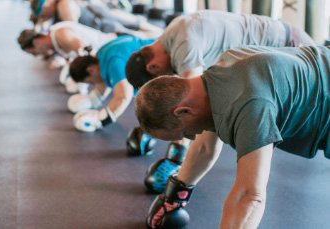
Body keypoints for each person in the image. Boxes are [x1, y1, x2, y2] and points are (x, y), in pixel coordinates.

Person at [134, 45, 330, 228]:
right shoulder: (220, 71)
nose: (192, 137)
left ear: (183, 111)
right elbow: (204, 148)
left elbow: (250, 197)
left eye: (185, 133)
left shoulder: (248, 103)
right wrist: (174, 197)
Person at [125, 9, 315, 194]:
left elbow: (187, 107)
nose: (165, 77)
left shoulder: (184, 46)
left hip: (291, 46)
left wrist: (174, 160)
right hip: (274, 50)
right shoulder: (172, 32)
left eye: (159, 76)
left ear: (153, 66)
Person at [68, 36, 157, 135]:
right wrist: (93, 99)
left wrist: (101, 120)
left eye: (90, 82)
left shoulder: (114, 63)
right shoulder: (102, 53)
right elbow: (105, 77)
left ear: (90, 70)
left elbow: (123, 96)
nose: (93, 84)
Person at [29, 0, 163, 38]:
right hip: (101, 17)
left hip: (103, 25)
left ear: (46, 5)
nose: (45, 16)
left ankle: (164, 37)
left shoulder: (64, 5)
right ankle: (163, 35)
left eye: (44, 12)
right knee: (135, 25)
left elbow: (75, 32)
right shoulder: (60, 6)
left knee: (137, 33)